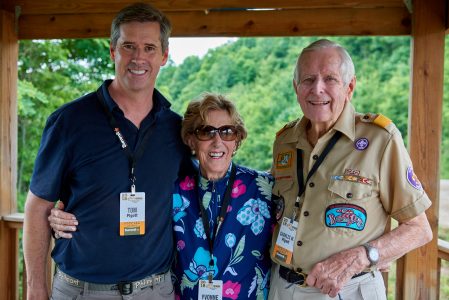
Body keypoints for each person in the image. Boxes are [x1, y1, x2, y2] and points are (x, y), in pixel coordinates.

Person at [23, 3, 188, 299]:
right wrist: (36, 289)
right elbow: (38, 207)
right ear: (113, 50)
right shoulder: (69, 122)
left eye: (149, 47)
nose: (139, 57)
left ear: (164, 56)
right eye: (128, 46)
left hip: (155, 290)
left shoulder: (176, 129)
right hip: (81, 291)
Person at [50, 93, 274, 299]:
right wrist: (59, 215)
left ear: (237, 140)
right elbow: (109, 204)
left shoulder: (264, 188)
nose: (218, 141)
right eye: (206, 131)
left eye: (227, 131)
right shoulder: (175, 189)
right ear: (191, 140)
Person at [268, 39, 433, 300]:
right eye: (308, 79)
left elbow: (419, 229)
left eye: (330, 79)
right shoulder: (284, 141)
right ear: (296, 87)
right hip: (282, 286)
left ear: (350, 87)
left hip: (349, 290)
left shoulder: (380, 140)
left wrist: (364, 255)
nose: (317, 89)